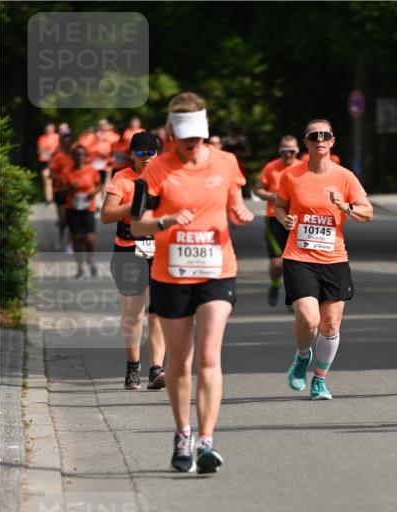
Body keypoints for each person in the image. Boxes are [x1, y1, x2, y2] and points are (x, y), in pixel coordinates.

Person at [131, 91, 254, 473]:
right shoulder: (155, 171)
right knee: (180, 362)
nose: (192, 147)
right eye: (184, 140)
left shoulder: (227, 162)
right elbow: (137, 223)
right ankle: (182, 432)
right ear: (171, 134)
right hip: (171, 273)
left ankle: (207, 441)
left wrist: (242, 211)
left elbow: (235, 202)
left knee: (209, 355)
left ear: (205, 132)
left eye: (197, 139)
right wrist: (165, 221)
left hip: (217, 269)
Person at [275, 118, 373, 400]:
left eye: (325, 135)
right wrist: (285, 220)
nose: (320, 139)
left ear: (332, 141)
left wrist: (345, 206)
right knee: (308, 319)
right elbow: (280, 206)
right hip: (299, 256)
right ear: (306, 142)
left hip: (334, 259)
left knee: (330, 325)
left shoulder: (345, 177)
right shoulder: (291, 176)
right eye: (314, 135)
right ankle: (303, 355)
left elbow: (367, 214)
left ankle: (319, 379)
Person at [101, 132, 166, 391]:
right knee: (134, 314)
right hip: (128, 250)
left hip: (158, 249)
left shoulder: (165, 178)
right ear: (132, 155)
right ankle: (133, 367)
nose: (147, 157)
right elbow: (106, 215)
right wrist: (132, 205)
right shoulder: (122, 179)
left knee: (158, 311)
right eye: (141, 152)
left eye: (151, 152)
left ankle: (156, 369)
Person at [254, 135, 300, 306]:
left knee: (296, 262)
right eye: (284, 151)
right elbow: (258, 190)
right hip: (274, 219)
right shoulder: (271, 167)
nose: (288, 155)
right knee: (277, 263)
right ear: (280, 151)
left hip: (297, 219)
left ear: (297, 151)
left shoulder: (304, 167)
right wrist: (273, 196)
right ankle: (274, 285)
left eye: (292, 151)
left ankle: (293, 297)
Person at [59, 145, 102, 278]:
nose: (79, 157)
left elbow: (99, 185)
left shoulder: (91, 170)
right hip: (72, 208)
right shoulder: (67, 172)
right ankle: (80, 268)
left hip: (88, 207)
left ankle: (90, 259)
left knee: (89, 238)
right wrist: (70, 187)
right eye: (76, 154)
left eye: (81, 154)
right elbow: (61, 191)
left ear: (85, 156)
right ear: (73, 156)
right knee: (76, 239)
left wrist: (93, 193)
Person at [49, 132, 74, 251]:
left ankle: (69, 244)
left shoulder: (76, 156)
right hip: (61, 191)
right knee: (63, 221)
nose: (68, 145)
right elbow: (51, 173)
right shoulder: (58, 157)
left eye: (70, 142)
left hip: (73, 192)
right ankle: (60, 238)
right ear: (62, 143)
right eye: (65, 142)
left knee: (72, 220)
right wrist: (62, 179)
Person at [36, 122, 58, 204]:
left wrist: (53, 152)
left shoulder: (57, 137)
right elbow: (39, 150)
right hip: (44, 161)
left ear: (53, 129)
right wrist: (43, 152)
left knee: (55, 180)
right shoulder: (41, 138)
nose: (48, 130)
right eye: (47, 128)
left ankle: (56, 196)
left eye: (50, 128)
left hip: (55, 161)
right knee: (46, 179)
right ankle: (49, 198)